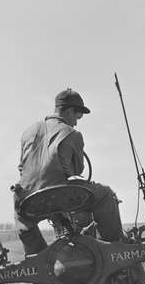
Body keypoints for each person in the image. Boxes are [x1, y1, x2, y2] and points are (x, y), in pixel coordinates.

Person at [13, 88, 124, 256]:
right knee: (106, 195)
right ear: (69, 111)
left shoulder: (27, 132)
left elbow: (21, 167)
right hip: (60, 194)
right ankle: (115, 250)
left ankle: (38, 258)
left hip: (29, 199)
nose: (76, 123)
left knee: (22, 218)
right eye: (77, 117)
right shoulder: (72, 134)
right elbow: (77, 170)